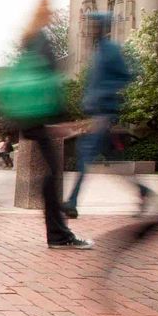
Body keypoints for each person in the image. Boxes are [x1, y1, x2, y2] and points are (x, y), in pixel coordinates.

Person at [17, 0, 93, 250]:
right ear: (46, 12)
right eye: (52, 9)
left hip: (32, 117)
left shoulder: (30, 39)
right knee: (50, 177)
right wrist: (62, 119)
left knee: (50, 175)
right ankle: (58, 234)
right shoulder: (41, 41)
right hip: (41, 117)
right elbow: (48, 82)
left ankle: (58, 231)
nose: (56, 12)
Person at [63, 12, 152, 219]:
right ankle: (142, 190)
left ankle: (72, 202)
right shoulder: (99, 52)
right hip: (96, 114)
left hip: (104, 115)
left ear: (103, 26)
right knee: (113, 161)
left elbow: (128, 75)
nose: (91, 28)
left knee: (85, 157)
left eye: (95, 24)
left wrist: (105, 94)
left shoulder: (111, 50)